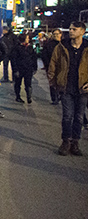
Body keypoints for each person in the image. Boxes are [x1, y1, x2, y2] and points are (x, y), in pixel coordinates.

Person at [47, 21, 88, 156]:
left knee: (79, 117)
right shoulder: (61, 47)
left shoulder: (86, 48)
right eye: (70, 29)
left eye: (74, 29)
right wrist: (53, 83)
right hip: (66, 88)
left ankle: (75, 142)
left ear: (82, 31)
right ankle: (66, 141)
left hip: (82, 88)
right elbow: (53, 65)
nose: (71, 31)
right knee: (67, 116)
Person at [11, 32, 37, 104]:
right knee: (18, 83)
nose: (28, 39)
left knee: (28, 83)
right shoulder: (17, 48)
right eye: (27, 38)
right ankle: (18, 97)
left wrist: (35, 67)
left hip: (28, 68)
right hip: (20, 68)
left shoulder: (30, 47)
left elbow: (34, 58)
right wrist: (15, 69)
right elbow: (13, 59)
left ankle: (29, 97)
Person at [41, 29, 64, 104]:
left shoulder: (64, 44)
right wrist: (48, 65)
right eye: (54, 34)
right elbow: (44, 55)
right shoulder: (49, 44)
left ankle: (61, 95)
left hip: (62, 67)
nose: (56, 36)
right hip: (51, 67)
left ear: (61, 34)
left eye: (57, 34)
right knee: (52, 82)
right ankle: (54, 98)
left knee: (62, 81)